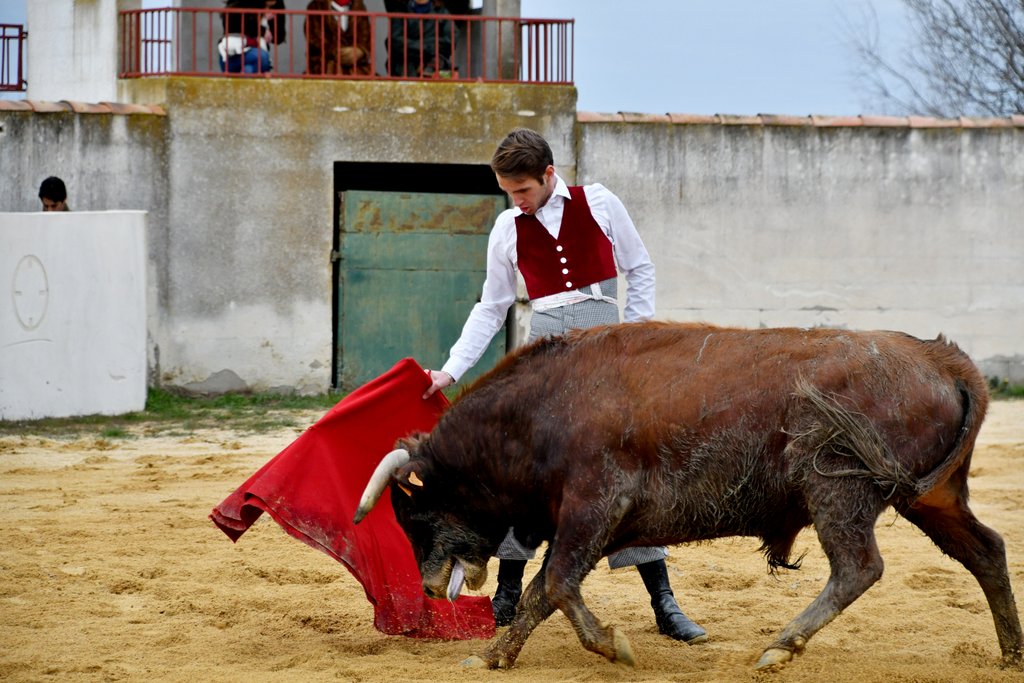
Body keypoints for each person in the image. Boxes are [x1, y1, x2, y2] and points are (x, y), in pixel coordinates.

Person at [422, 128, 707, 643]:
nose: (517, 201)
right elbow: (491, 306)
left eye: (523, 191)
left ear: (549, 175)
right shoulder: (507, 227)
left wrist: (636, 340)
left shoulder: (598, 202)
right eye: (509, 192)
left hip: (608, 344)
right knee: (527, 470)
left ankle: (664, 603)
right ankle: (508, 593)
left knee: (621, 466)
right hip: (545, 348)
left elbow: (640, 269)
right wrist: (450, 370)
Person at [387, 0, 454, 77]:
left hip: (434, 64)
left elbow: (450, 40)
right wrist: (427, 47)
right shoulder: (400, 12)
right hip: (405, 64)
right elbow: (395, 41)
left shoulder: (442, 12)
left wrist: (419, 46)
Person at [305, 0, 372, 76]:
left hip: (357, 68)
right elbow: (314, 38)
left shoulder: (359, 7)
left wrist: (360, 51)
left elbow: (365, 37)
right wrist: (337, 52)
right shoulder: (316, 6)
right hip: (325, 67)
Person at [219, 0, 287, 74]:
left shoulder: (275, 6)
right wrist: (262, 30)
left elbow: (278, 38)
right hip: (233, 54)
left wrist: (273, 18)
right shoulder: (240, 5)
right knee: (262, 57)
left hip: (256, 56)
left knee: (250, 69)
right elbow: (234, 27)